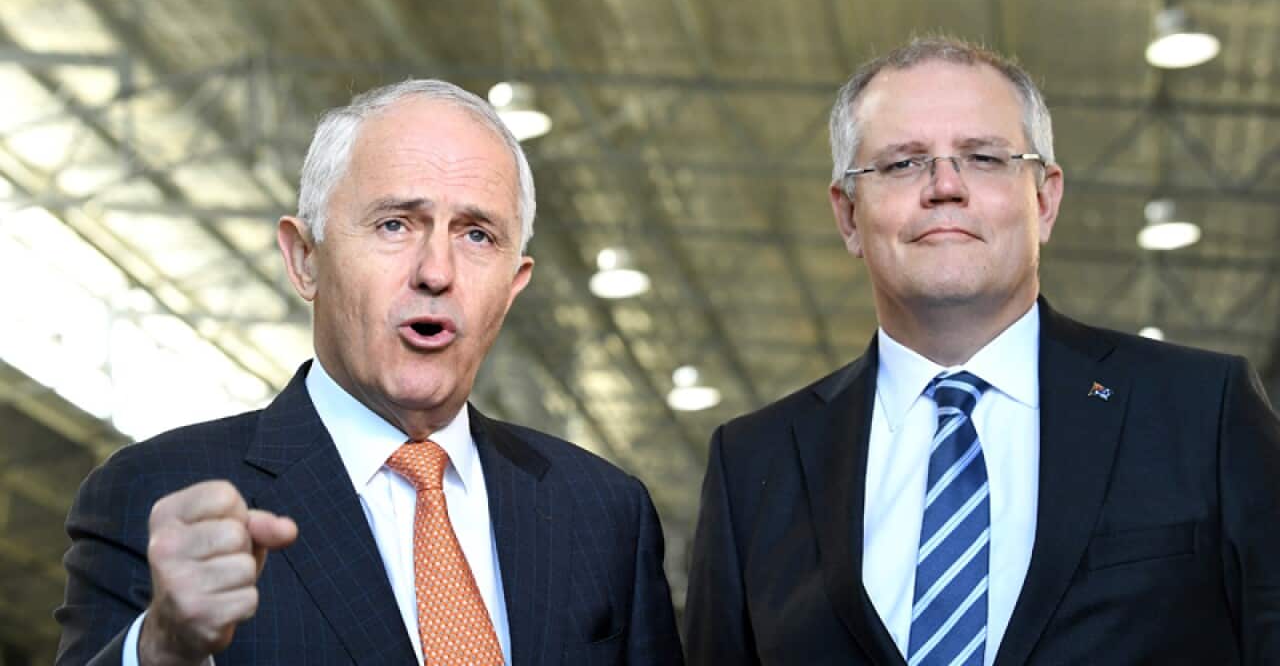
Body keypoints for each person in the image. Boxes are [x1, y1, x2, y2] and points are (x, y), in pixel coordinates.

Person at [683, 36, 1280, 666]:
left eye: (984, 157)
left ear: (1045, 199)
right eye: (902, 163)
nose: (945, 186)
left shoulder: (1202, 412)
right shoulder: (753, 464)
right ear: (849, 216)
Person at [56, 79, 684, 666]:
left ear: (514, 285)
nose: (436, 271)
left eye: (476, 235)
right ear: (305, 260)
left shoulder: (604, 512)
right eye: (394, 224)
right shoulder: (156, 495)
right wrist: (163, 645)